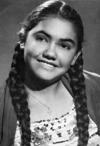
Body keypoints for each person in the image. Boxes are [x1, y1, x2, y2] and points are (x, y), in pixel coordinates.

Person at [0, 0, 100, 145]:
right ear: (23, 39)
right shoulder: (3, 107)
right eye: (42, 39)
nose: (50, 53)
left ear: (76, 56)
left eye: (64, 46)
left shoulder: (95, 88)